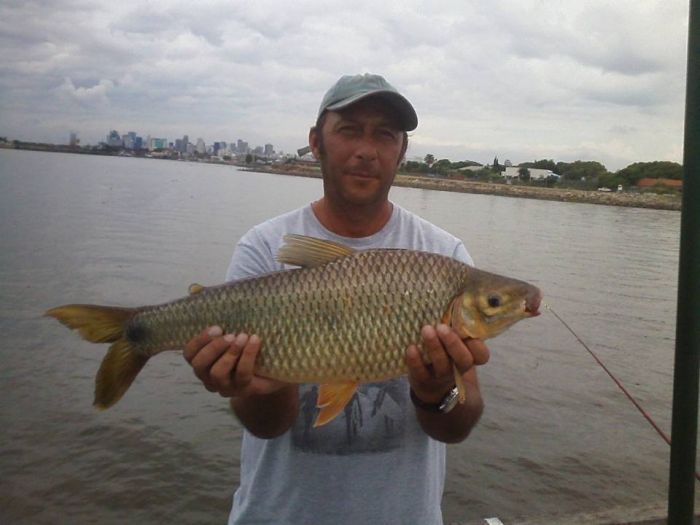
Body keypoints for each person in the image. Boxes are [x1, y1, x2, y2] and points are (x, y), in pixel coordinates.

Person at [183, 73, 490, 525]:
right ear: (316, 142)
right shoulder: (264, 247)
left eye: (384, 134)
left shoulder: (445, 257)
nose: (367, 150)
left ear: (401, 151)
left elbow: (457, 427)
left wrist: (436, 393)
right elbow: (266, 426)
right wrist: (262, 387)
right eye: (349, 130)